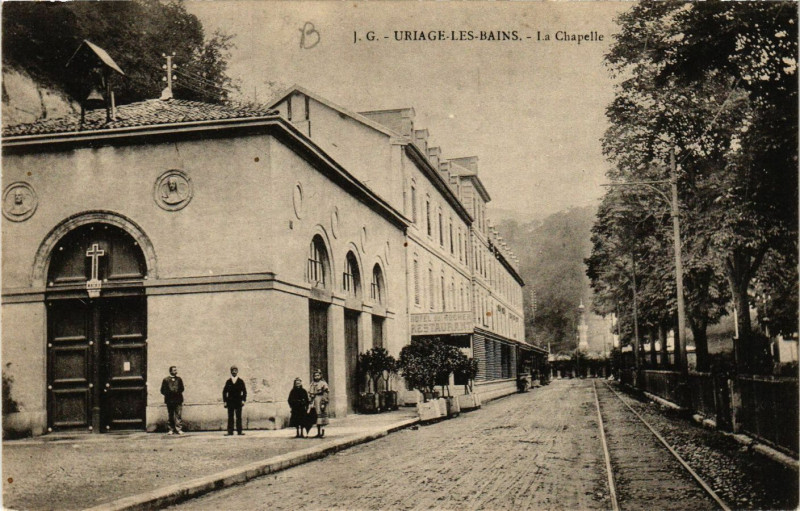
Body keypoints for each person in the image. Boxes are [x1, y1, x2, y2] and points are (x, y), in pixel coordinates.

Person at [223, 365, 247, 435]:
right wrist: (225, 401)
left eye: (235, 370)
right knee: (230, 417)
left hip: (238, 401)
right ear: (230, 372)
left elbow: (244, 391)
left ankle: (239, 431)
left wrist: (243, 400)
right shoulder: (228, 381)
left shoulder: (240, 381)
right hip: (230, 402)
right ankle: (230, 432)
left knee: (238, 417)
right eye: (232, 370)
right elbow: (224, 392)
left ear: (237, 371)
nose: (234, 372)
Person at [160, 366, 184, 435]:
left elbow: (182, 388)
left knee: (178, 415)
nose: (176, 371)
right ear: (170, 371)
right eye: (174, 370)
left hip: (178, 399)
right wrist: (169, 394)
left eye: (176, 370)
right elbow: (162, 390)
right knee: (170, 415)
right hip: (169, 400)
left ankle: (179, 429)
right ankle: (171, 429)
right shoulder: (165, 380)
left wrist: (177, 393)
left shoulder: (179, 379)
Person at [308, 369, 329, 438]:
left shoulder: (323, 383)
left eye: (318, 375)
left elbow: (326, 391)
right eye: (315, 376)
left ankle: (322, 431)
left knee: (321, 415)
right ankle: (318, 432)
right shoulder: (312, 384)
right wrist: (311, 397)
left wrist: (324, 399)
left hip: (321, 400)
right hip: (315, 401)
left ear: (320, 376)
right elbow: (310, 392)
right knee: (316, 416)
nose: (316, 377)